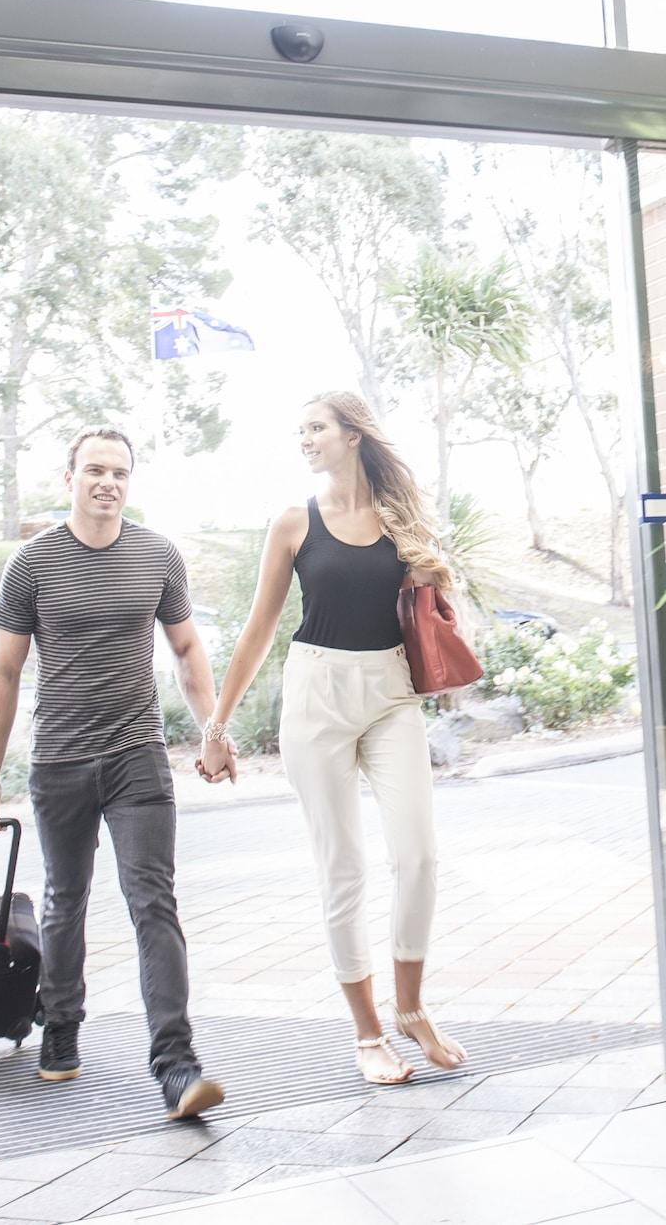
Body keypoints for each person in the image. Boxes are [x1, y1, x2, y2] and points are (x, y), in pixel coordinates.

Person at [199, 391, 467, 1085]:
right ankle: (368, 1032)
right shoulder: (293, 522)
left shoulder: (401, 520)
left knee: (419, 855)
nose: (305, 438)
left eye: (315, 426)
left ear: (352, 434)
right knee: (341, 864)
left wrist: (432, 575)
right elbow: (259, 627)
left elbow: (438, 613)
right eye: (301, 429)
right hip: (315, 694)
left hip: (390, 693)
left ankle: (411, 1007)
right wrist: (217, 725)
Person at [0, 425, 226, 1120]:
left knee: (154, 902)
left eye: (118, 470)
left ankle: (176, 1063)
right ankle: (61, 1030)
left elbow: (186, 647)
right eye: (94, 470)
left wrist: (212, 729)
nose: (107, 482)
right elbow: (4, 670)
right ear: (70, 478)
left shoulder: (157, 554)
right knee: (65, 898)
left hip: (137, 755)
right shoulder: (31, 564)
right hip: (58, 760)